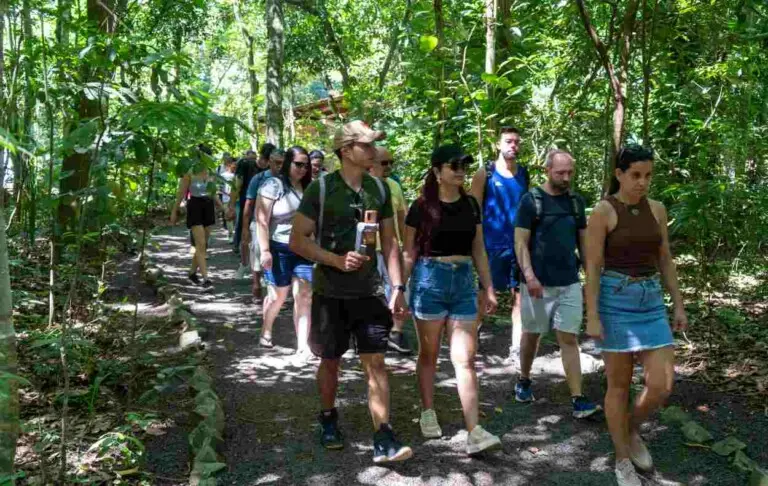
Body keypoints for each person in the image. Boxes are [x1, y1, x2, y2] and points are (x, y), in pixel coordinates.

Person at [290, 120, 412, 463]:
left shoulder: (380, 189)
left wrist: (397, 287)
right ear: (346, 151)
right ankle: (328, 417)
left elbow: (390, 243)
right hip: (330, 293)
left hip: (369, 291)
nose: (374, 151)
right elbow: (297, 240)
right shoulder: (321, 189)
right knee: (330, 361)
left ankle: (384, 435)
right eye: (366, 145)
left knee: (376, 362)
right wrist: (335, 260)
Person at [584, 145, 687, 486]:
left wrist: (678, 304)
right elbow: (593, 266)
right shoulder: (604, 211)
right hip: (615, 300)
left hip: (651, 300)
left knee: (661, 384)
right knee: (618, 385)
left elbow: (665, 258)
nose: (642, 182)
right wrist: (592, 314)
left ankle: (629, 429)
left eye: (648, 176)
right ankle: (622, 458)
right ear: (619, 174)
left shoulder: (656, 209)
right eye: (635, 175)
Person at [403, 145, 502, 455]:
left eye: (464, 165)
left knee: (465, 358)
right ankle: (427, 410)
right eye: (454, 165)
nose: (461, 170)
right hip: (429, 281)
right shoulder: (421, 207)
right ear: (437, 171)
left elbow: (479, 249)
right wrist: (397, 289)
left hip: (463, 284)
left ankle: (475, 430)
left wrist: (488, 287)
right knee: (429, 354)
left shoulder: (471, 205)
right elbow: (409, 252)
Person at [513, 150, 602, 418]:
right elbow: (520, 242)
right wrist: (530, 277)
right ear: (547, 171)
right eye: (560, 173)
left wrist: (590, 275)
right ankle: (524, 378)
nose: (566, 178)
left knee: (568, 338)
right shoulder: (531, 201)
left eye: (569, 173)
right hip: (537, 284)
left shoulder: (576, 202)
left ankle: (578, 398)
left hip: (569, 282)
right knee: (532, 334)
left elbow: (584, 243)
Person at [469, 126, 529, 362]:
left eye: (516, 142)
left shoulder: (523, 174)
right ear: (498, 144)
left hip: (519, 246)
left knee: (520, 297)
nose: (513, 146)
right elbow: (473, 210)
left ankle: (516, 348)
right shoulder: (486, 173)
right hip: (492, 246)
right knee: (484, 295)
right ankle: (470, 340)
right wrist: (475, 244)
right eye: (508, 141)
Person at [255, 146, 313, 358]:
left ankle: (303, 345)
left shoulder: (310, 188)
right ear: (288, 163)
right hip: (278, 248)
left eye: (306, 165)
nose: (303, 169)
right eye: (298, 164)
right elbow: (261, 220)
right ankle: (266, 329)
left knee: (304, 295)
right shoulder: (273, 185)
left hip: (304, 248)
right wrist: (265, 251)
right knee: (278, 296)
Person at [369, 147, 410, 354]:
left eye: (391, 162)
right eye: (384, 163)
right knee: (372, 294)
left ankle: (396, 332)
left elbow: (402, 218)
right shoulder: (361, 186)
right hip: (368, 249)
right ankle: (371, 332)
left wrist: (407, 247)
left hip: (392, 249)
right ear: (371, 163)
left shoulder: (394, 186)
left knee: (399, 288)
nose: (389, 167)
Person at [170, 145, 221, 289]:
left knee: (203, 244)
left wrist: (222, 207)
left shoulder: (211, 172)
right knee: (200, 243)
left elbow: (213, 192)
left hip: (208, 206)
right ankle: (206, 279)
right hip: (195, 206)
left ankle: (192, 273)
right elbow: (181, 193)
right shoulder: (190, 172)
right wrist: (174, 211)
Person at [242, 149, 284, 300]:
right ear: (269, 162)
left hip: (278, 225)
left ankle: (274, 292)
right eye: (277, 163)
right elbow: (249, 203)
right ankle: (256, 284)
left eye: (283, 163)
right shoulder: (258, 179)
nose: (280, 166)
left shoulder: (287, 180)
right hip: (259, 223)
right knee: (257, 253)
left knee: (276, 257)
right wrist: (245, 228)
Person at [231, 144, 275, 277]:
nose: (266, 163)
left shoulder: (272, 170)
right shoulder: (245, 165)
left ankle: (263, 270)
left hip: (265, 210)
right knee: (245, 236)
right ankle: (244, 265)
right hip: (246, 206)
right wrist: (231, 205)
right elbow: (236, 186)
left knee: (265, 238)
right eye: (265, 159)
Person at [218, 154, 236, 240]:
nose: (234, 165)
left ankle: (234, 235)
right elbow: (220, 188)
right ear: (229, 165)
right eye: (233, 164)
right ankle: (230, 234)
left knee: (235, 217)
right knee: (229, 217)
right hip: (226, 199)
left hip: (235, 199)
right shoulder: (223, 175)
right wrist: (227, 193)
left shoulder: (237, 175)